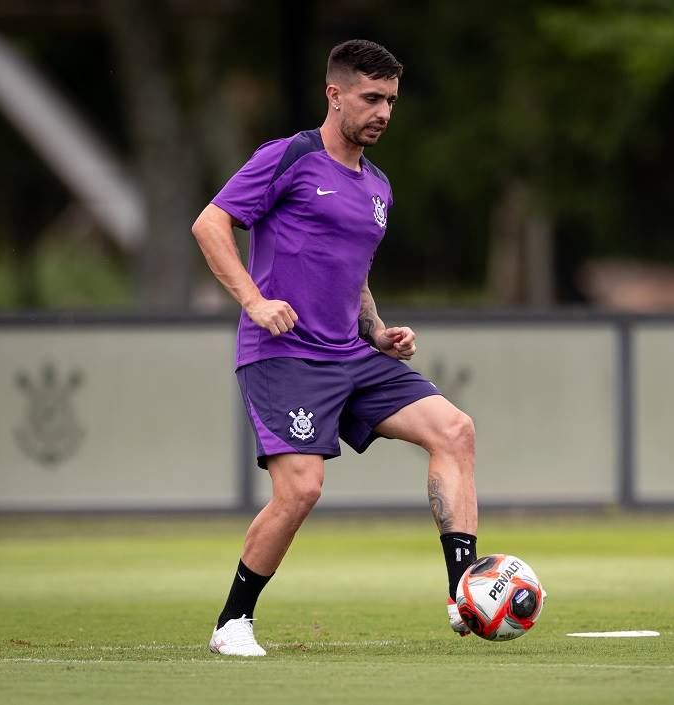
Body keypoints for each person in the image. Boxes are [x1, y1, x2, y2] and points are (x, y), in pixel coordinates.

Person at [191, 39, 478, 657]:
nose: (383, 112)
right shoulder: (288, 156)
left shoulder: (378, 187)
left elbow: (354, 272)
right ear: (335, 94)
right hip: (284, 354)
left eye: (392, 101)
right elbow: (210, 224)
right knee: (302, 490)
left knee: (454, 430)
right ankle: (232, 622)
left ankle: (466, 594)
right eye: (371, 98)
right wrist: (254, 302)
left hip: (350, 354)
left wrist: (376, 330)